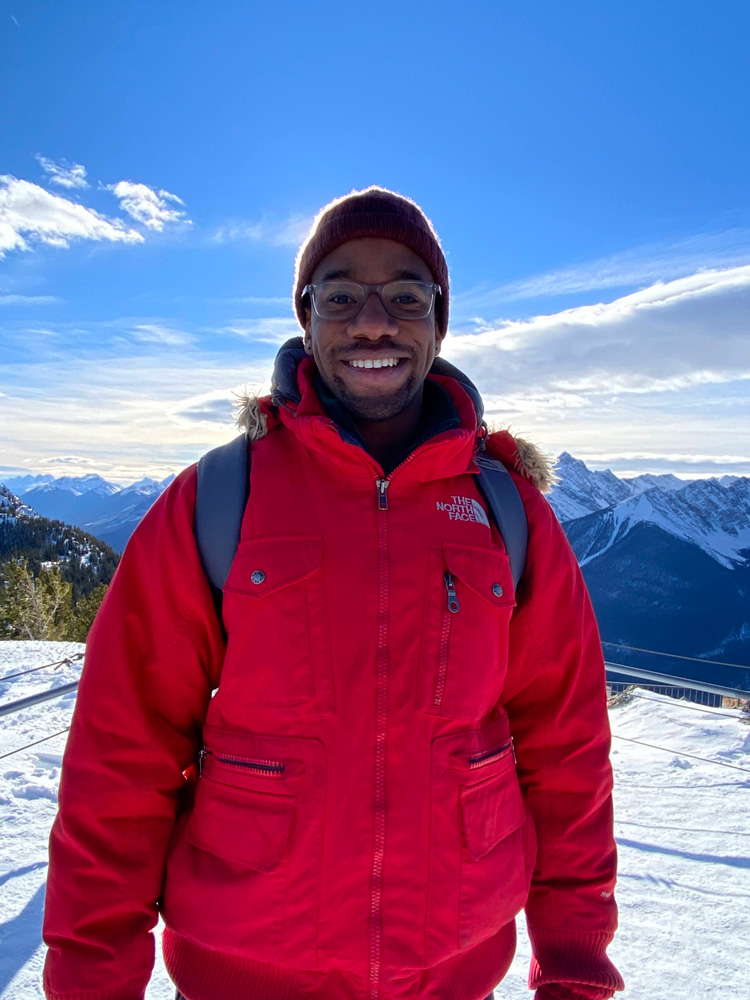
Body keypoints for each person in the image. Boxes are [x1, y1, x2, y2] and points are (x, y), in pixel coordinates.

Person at [42, 187, 625, 1000]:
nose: (374, 323)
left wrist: (575, 966)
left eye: (406, 296)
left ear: (438, 318)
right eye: (342, 295)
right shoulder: (221, 494)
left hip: (452, 974)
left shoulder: (509, 510)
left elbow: (567, 755)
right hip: (243, 974)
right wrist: (92, 981)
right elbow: (121, 757)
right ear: (306, 319)